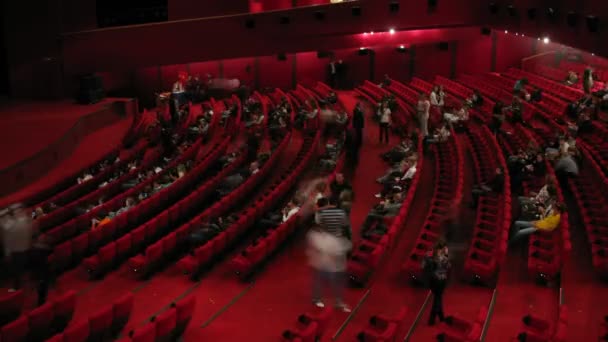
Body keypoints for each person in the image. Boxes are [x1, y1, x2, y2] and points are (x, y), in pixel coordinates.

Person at [307, 197, 352, 312]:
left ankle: (318, 299)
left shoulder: (321, 214)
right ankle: (338, 301)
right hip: (336, 244)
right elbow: (346, 228)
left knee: (321, 275)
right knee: (336, 276)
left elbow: (318, 226)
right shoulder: (341, 213)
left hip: (326, 243)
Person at [2, 204, 33, 290]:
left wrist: (7, 254)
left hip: (16, 252)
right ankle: (21, 283)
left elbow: (7, 241)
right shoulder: (24, 221)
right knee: (20, 268)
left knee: (16, 270)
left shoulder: (10, 226)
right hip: (25, 249)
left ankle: (17, 287)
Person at [422, 240, 451, 325]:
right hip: (439, 281)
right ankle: (433, 318)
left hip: (433, 281)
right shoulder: (442, 258)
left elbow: (424, 264)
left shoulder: (431, 255)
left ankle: (440, 316)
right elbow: (448, 266)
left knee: (438, 298)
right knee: (438, 298)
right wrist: (446, 255)